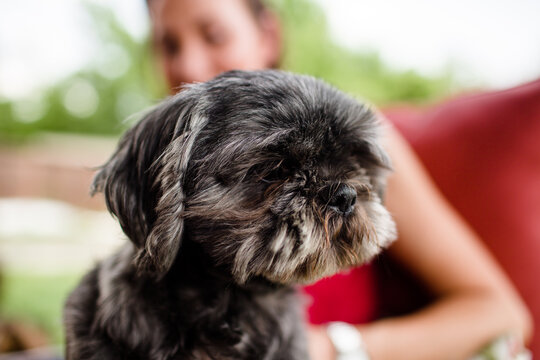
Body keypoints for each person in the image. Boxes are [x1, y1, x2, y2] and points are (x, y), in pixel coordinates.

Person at [146, 0, 533, 359]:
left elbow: (500, 313)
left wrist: (326, 348)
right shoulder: (172, 171)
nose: (189, 65)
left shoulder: (358, 145)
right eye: (170, 45)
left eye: (214, 35)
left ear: (268, 37)